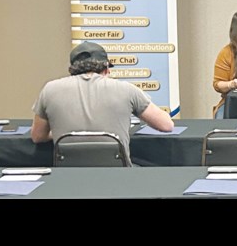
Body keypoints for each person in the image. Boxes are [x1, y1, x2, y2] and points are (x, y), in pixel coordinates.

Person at [30, 41, 174, 164]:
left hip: (67, 176)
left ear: (72, 70)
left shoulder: (50, 89)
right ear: (106, 69)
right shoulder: (127, 89)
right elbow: (166, 125)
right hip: (118, 176)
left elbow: (38, 136)